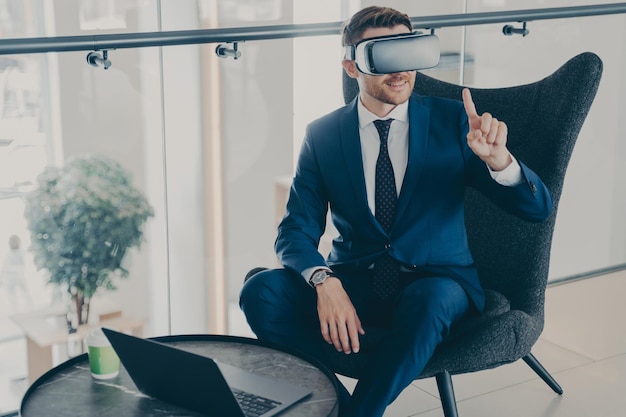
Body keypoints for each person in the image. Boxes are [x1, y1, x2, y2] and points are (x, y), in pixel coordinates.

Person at [240, 6, 552, 417]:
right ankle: (335, 403)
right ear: (351, 66)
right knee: (260, 291)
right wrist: (323, 281)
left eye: (406, 52)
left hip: (439, 286)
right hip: (354, 282)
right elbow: (295, 230)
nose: (399, 70)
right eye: (382, 56)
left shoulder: (455, 122)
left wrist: (500, 161)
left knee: (429, 296)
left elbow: (536, 211)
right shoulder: (324, 135)